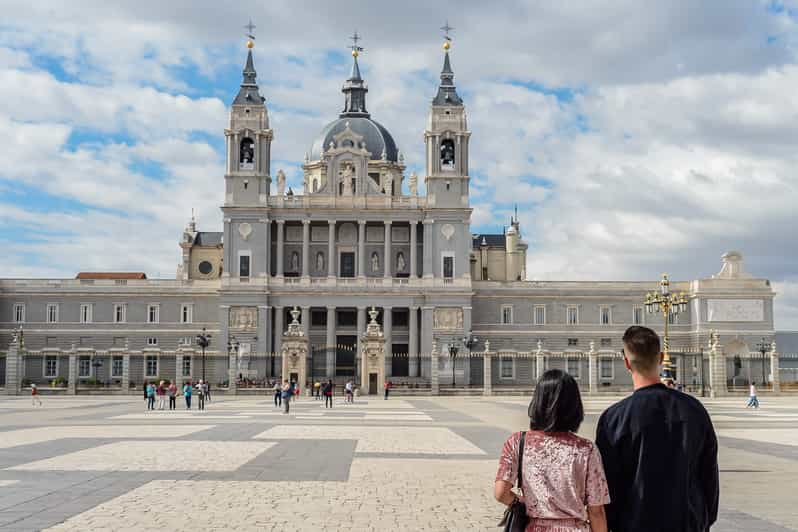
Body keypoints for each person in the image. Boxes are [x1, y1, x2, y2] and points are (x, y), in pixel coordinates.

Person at [596, 326, 718, 532]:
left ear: (626, 362)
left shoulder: (614, 418)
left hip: (633, 523)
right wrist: (703, 519)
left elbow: (607, 486)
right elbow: (708, 475)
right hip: (687, 522)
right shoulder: (694, 410)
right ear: (661, 358)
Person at [494, 369, 609, 532]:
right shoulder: (586, 449)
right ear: (574, 406)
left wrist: (523, 502)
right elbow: (596, 511)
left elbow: (501, 493)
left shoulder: (517, 442)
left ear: (538, 402)